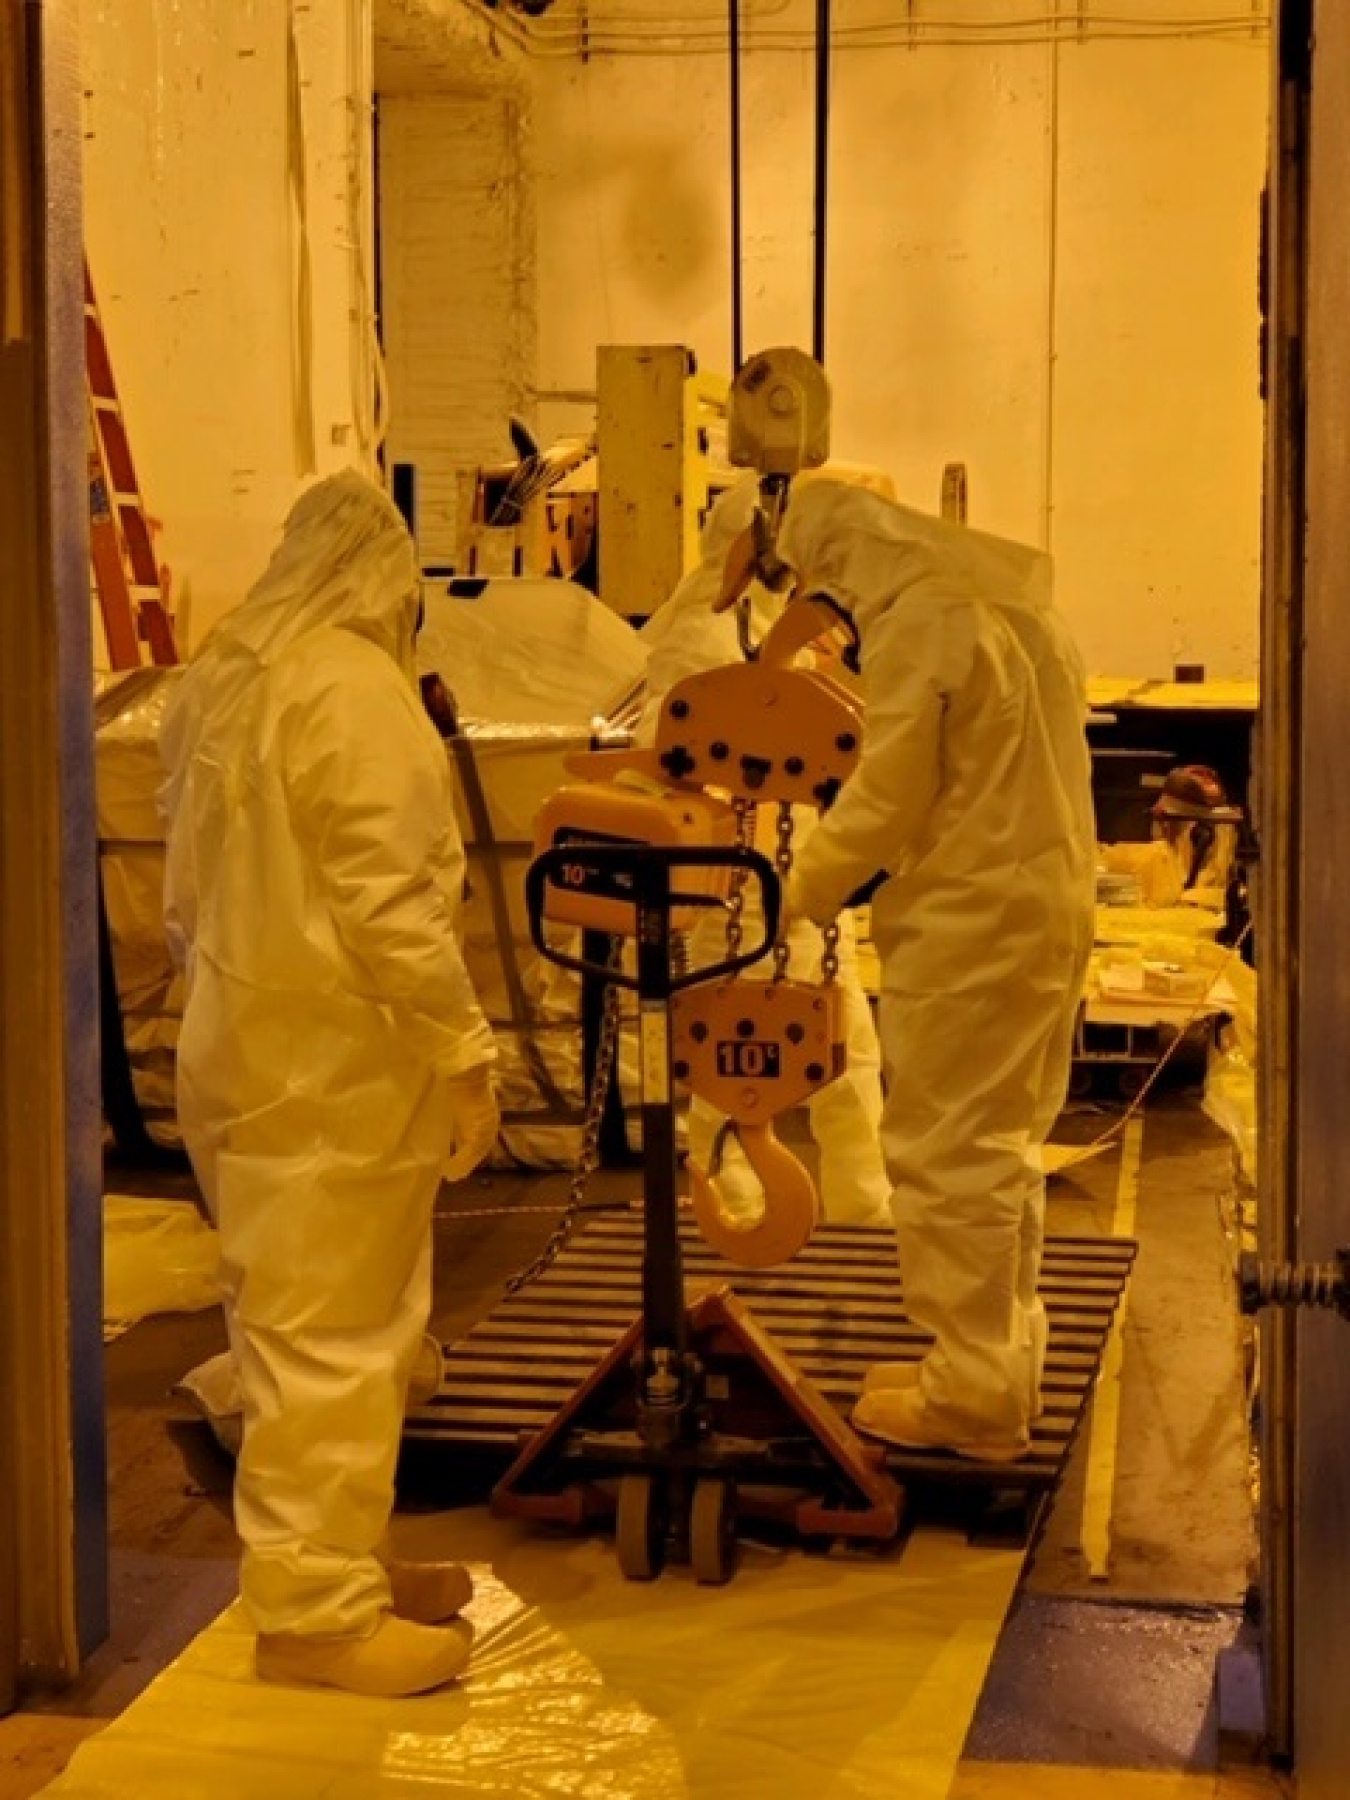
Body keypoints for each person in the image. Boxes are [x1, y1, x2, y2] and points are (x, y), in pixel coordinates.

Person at [159, 470, 500, 1696]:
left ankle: (338, 1565)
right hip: (333, 1073)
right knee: (334, 1344)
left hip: (244, 1053)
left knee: (294, 1329)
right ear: (388, 582)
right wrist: (466, 1051)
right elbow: (393, 909)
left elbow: (181, 896)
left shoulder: (232, 680)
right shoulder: (352, 691)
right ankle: (314, 1620)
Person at [778, 480, 1095, 1462]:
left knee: (945, 1152)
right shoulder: (1021, 611)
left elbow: (888, 795)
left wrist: (797, 888)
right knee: (1001, 1146)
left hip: (972, 920)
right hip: (1047, 907)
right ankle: (1002, 1359)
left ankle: (971, 1395)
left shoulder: (925, 622)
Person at [637, 477, 892, 1227]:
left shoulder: (784, 623)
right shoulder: (701, 628)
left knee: (848, 1054)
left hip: (807, 881)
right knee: (732, 1064)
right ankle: (736, 1215)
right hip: (736, 902)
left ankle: (862, 1212)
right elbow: (677, 743)